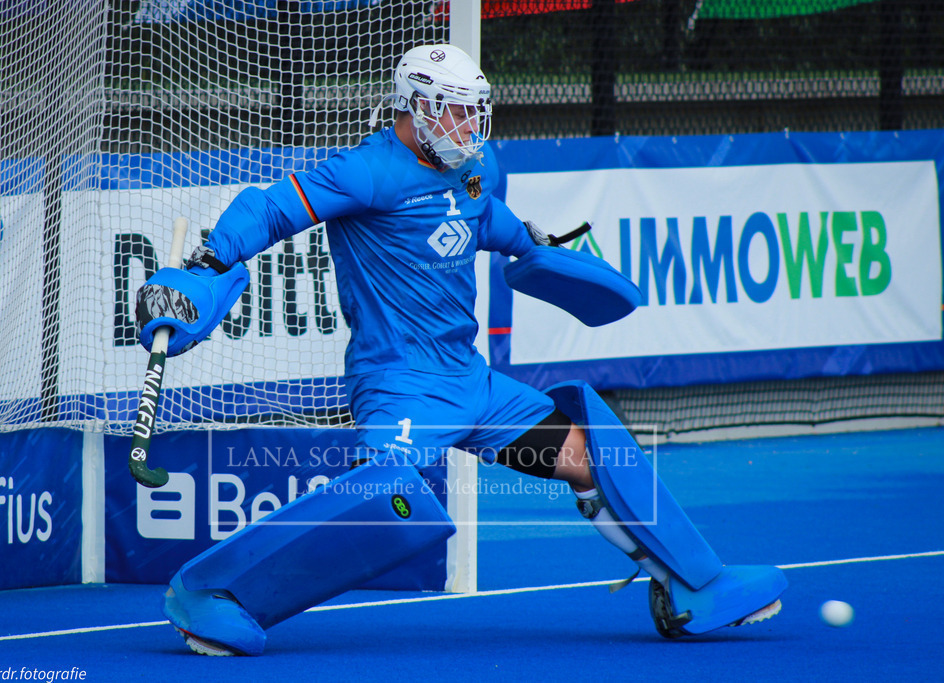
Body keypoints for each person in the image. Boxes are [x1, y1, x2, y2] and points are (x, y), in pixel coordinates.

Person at [136, 44, 787, 657]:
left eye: (476, 111)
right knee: (380, 499)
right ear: (415, 107)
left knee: (594, 455)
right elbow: (270, 209)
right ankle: (210, 592)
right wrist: (208, 264)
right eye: (456, 110)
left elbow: (484, 218)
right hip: (401, 384)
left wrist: (530, 243)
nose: (471, 125)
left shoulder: (477, 166)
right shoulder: (366, 172)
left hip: (475, 385)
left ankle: (692, 588)